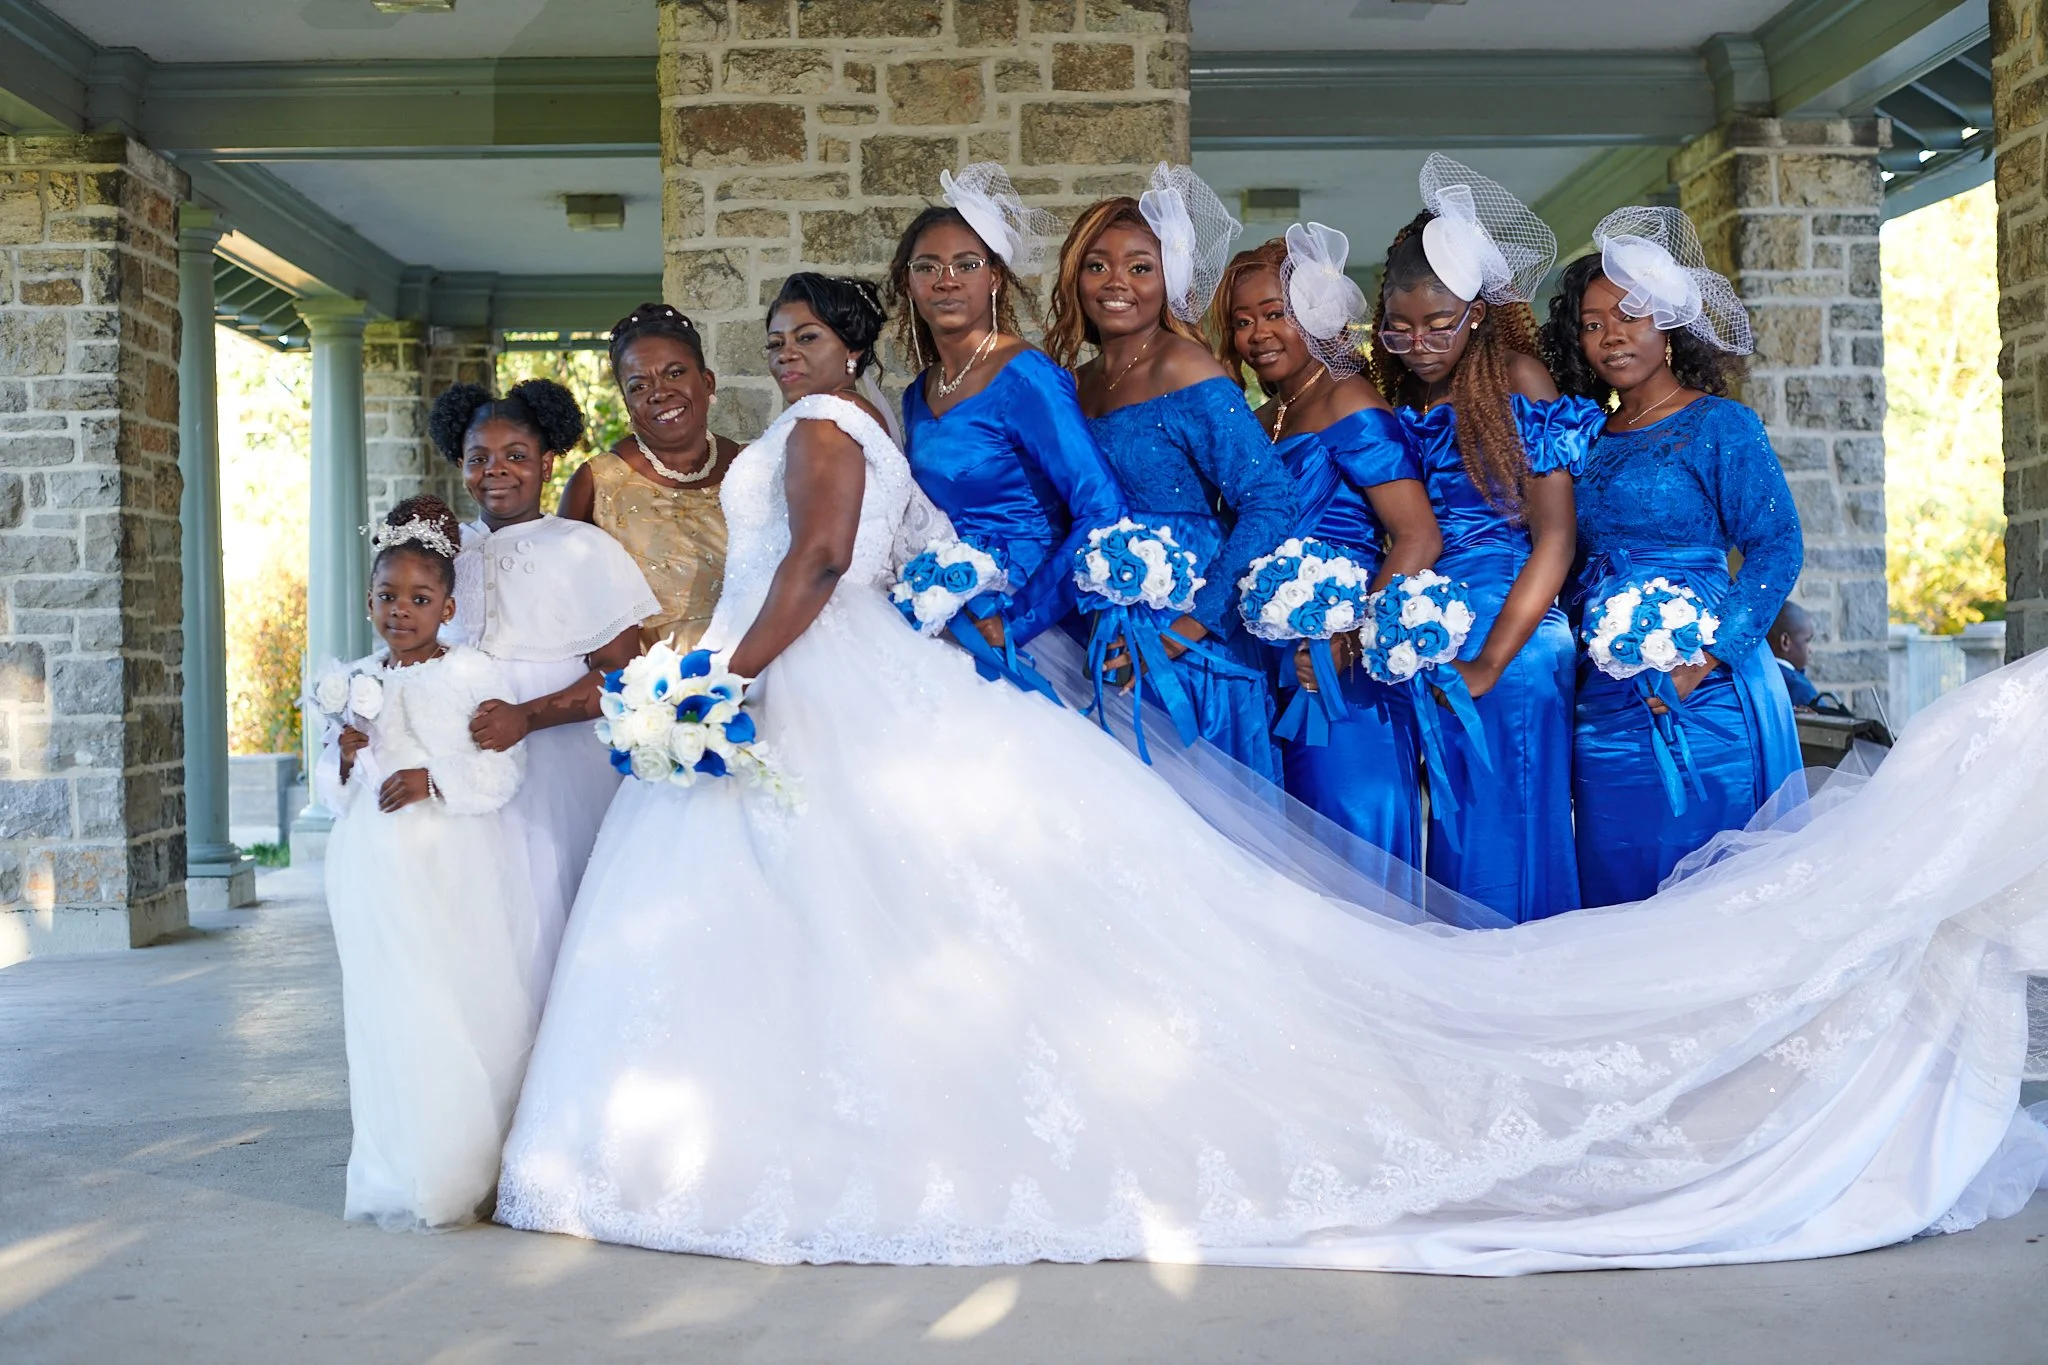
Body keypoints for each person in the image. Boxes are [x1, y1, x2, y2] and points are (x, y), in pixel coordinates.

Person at [494, 269, 2048, 1276]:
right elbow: (929, 554)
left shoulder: (842, 428)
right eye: (778, 345)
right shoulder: (894, 417)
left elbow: (834, 556)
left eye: (811, 340)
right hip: (862, 685)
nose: (794, 361)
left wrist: (721, 675)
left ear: (863, 342)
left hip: (812, 673)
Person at [1541, 206, 1806, 909]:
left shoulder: (1720, 424)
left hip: (1705, 687)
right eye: (1592, 325)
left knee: (1706, 885)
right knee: (1616, 874)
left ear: (1670, 323)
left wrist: (1712, 653)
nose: (1610, 336)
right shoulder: (1584, 434)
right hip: (1603, 694)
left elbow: (1778, 543)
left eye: (1629, 316)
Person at [1369, 155, 1595, 922]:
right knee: (1460, 839)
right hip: (1440, 639)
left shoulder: (1520, 378)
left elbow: (1556, 540)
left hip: (1513, 640)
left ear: (1478, 311)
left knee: (1508, 839)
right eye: (1398, 330)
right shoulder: (1412, 392)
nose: (1420, 342)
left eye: (1439, 324)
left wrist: (1490, 661)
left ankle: (1520, 1015)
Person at [314, 495, 539, 1231]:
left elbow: (504, 772)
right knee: (390, 1011)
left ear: (447, 605)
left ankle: (466, 1164)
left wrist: (432, 778)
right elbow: (326, 792)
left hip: (453, 859)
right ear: (369, 600)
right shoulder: (346, 679)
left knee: (461, 1001)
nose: (399, 611)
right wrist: (340, 758)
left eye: (418, 598)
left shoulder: (472, 673)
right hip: (373, 866)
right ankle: (398, 1165)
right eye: (387, 596)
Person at [1048, 165, 1298, 780]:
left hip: (1186, 641)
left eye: (1140, 267)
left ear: (1168, 279)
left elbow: (1270, 501)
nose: (1117, 283)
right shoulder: (1074, 385)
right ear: (1074, 276)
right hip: (1097, 628)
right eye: (1097, 265)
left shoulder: (1187, 368)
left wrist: (1185, 628)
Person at [1214, 227, 1441, 866]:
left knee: (1349, 851)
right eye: (1241, 321)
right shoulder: (1260, 423)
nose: (1257, 334)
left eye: (1274, 314)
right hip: (1268, 668)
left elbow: (1419, 535)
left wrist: (1346, 635)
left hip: (1345, 672)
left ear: (1315, 311)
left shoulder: (1349, 399)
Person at [431, 379, 658, 1002]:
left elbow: (621, 672)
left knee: (550, 911)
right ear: (460, 461)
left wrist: (526, 718)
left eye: (515, 456)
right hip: (463, 756)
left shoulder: (584, 550)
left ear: (547, 461)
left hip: (559, 765)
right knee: (478, 922)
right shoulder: (444, 550)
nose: (495, 471)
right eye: (479, 457)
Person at [888, 166, 1127, 665]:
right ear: (908, 284)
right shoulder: (917, 394)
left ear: (994, 277)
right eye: (927, 267)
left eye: (966, 264)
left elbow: (1102, 507)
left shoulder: (1026, 377)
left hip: (1028, 625)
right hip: (948, 616)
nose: (946, 281)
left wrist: (1020, 617)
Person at [559, 303, 733, 652]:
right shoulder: (596, 482)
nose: (659, 392)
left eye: (674, 373)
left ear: (707, 381)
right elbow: (566, 601)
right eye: (639, 386)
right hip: (644, 691)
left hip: (756, 671)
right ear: (626, 402)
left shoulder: (749, 466)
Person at [1769, 600, 1826, 710]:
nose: (1810, 650)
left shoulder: (1758, 676)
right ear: (1785, 642)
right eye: (1807, 641)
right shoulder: (1799, 688)